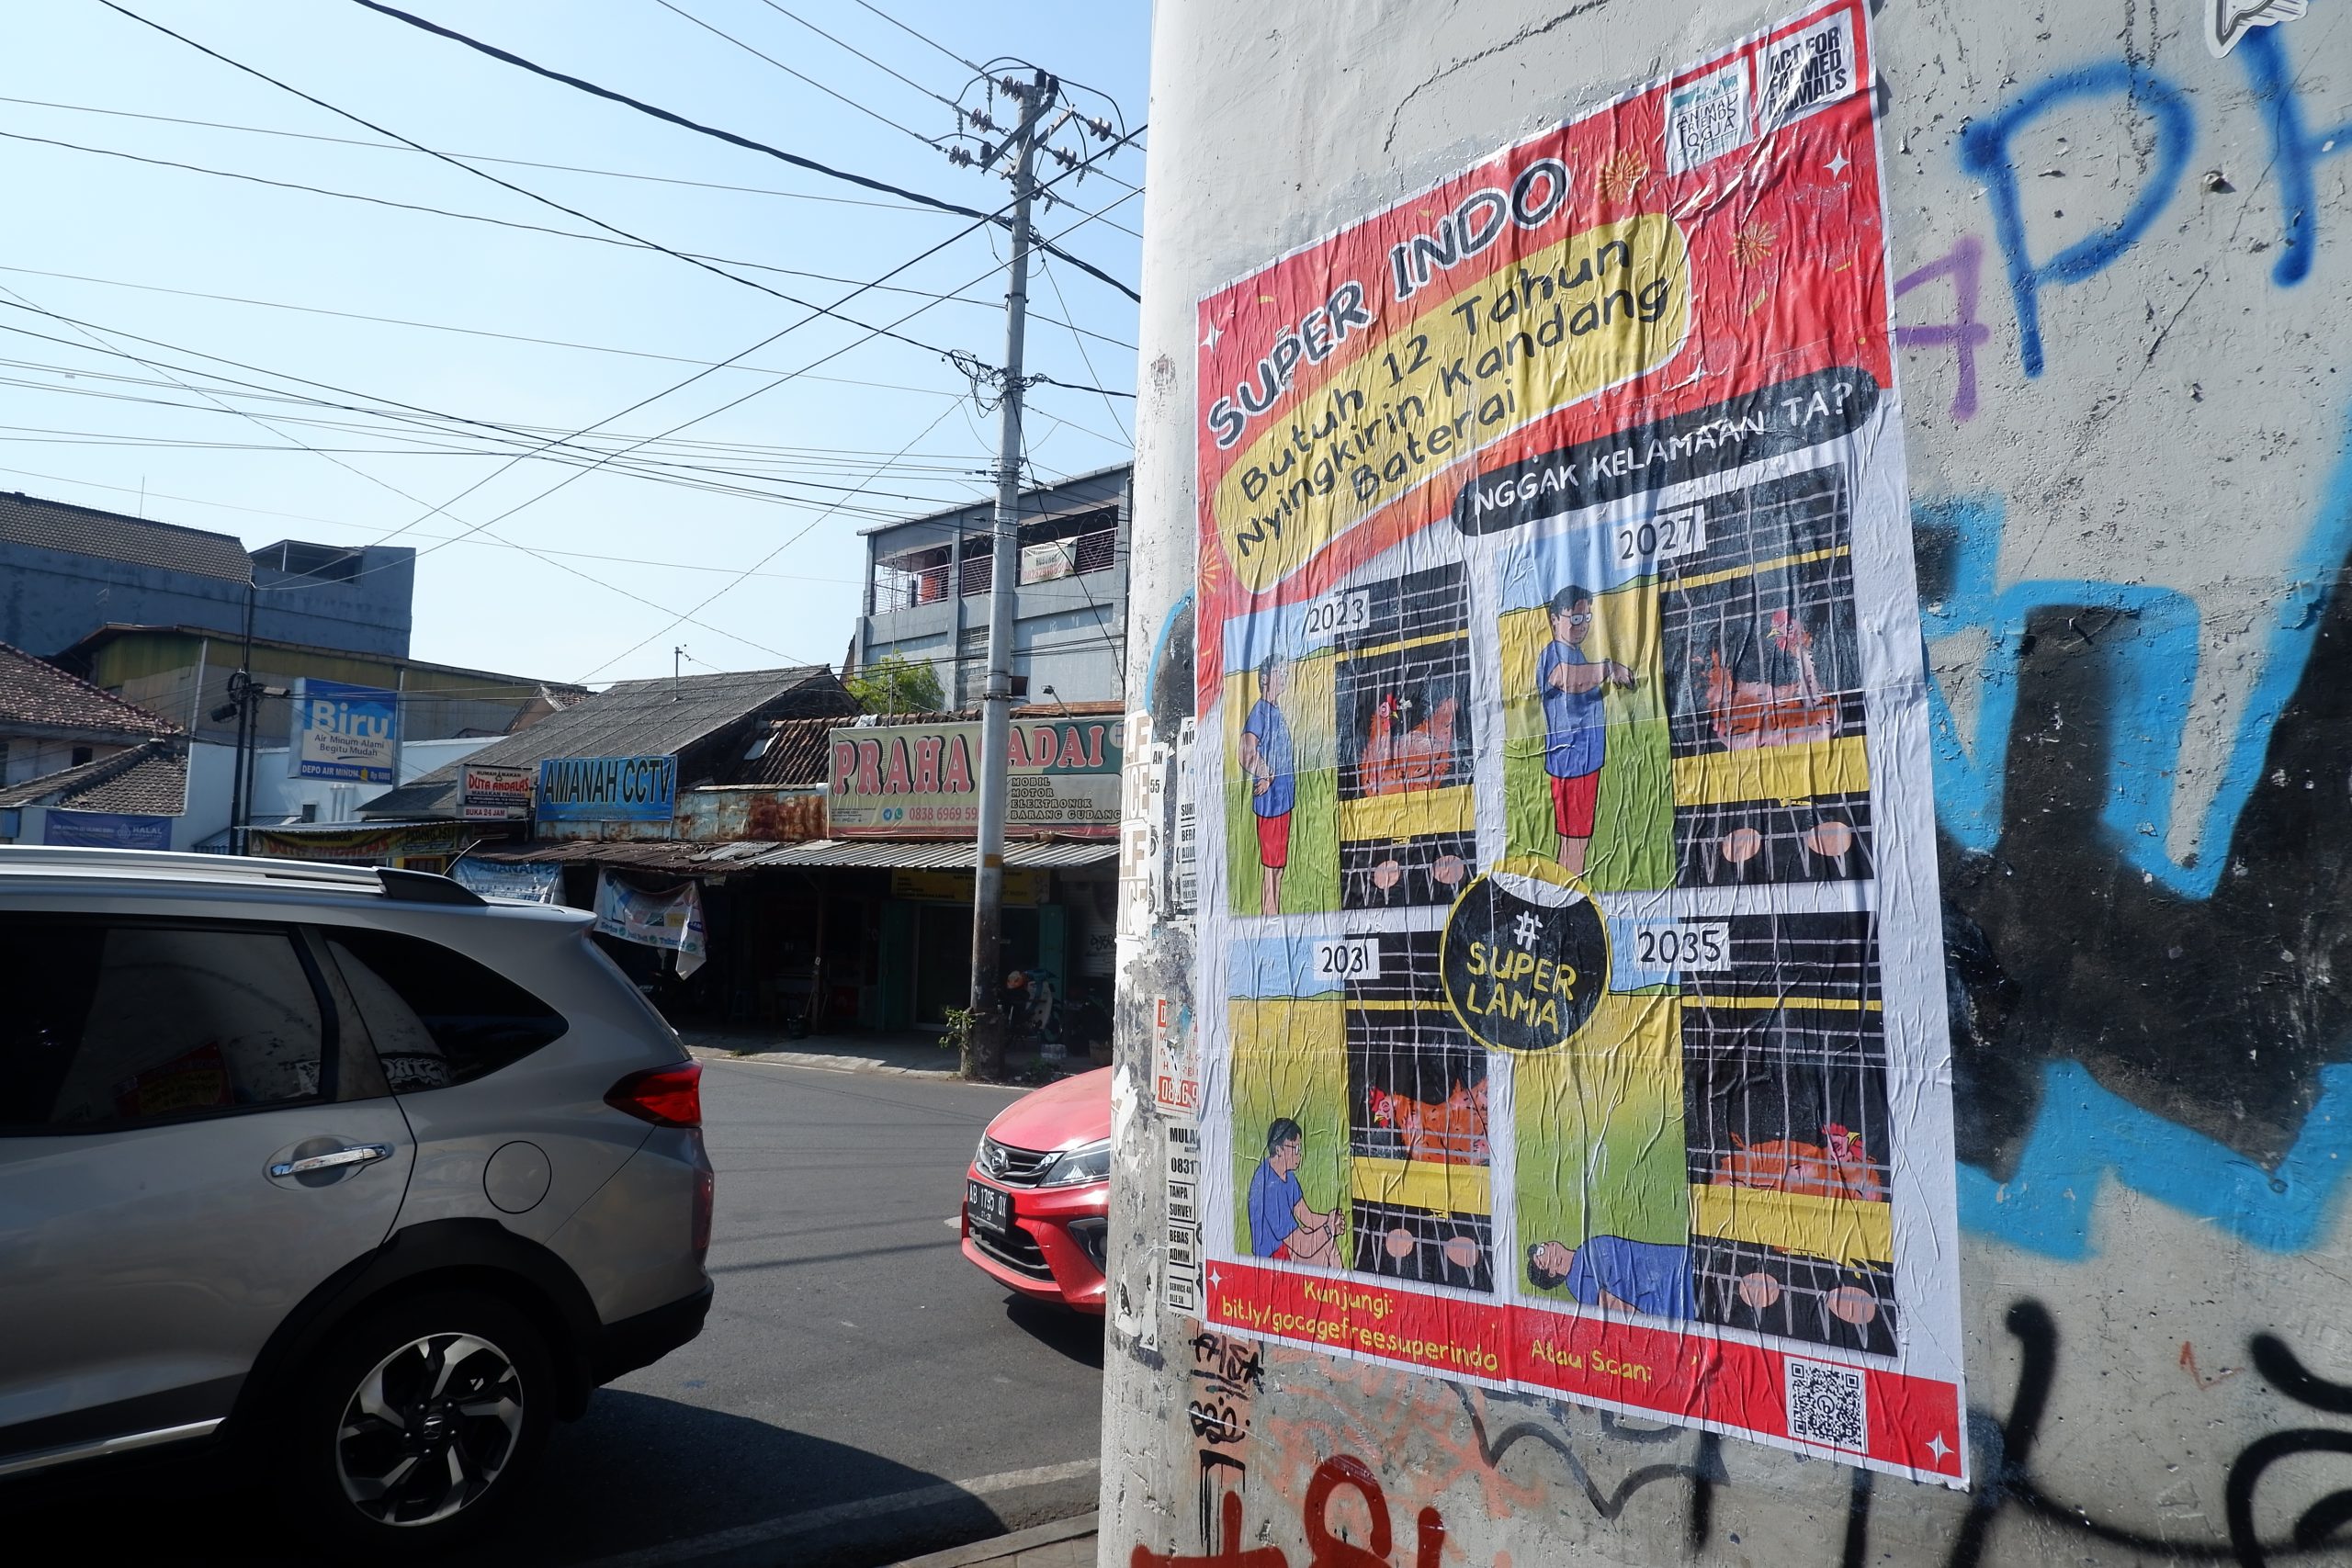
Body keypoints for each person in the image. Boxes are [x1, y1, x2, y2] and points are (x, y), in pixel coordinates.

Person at [1538, 586, 1635, 877]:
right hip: (1573, 764)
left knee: (1574, 839)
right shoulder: (1554, 653)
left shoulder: (1576, 654)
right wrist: (1608, 669)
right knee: (1575, 840)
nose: (1583, 625)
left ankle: (1565, 888)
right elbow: (1566, 680)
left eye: (1587, 618)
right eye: (1575, 619)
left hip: (1582, 762)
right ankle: (1568, 894)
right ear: (1555, 620)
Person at [1238, 656, 1296, 916]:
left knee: (1278, 867)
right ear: (1265, 679)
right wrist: (1266, 773)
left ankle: (1273, 914)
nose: (1283, 677)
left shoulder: (1274, 710)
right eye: (1278, 673)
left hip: (1282, 802)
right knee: (1271, 869)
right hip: (1271, 805)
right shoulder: (1260, 712)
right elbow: (1245, 752)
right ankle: (1270, 919)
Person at [1527, 1235, 1695, 1320]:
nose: (1545, 1246)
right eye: (1541, 1253)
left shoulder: (1584, 1250)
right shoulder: (1579, 1283)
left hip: (1682, 1263)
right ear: (1550, 1271)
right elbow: (1625, 1311)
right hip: (1681, 1296)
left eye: (1542, 1247)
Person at [1247, 1118, 1340, 1266]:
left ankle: (1342, 1288)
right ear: (1279, 1150)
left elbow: (1308, 1217)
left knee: (1325, 1241)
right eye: (1295, 1149)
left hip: (1286, 1250)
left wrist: (1332, 1220)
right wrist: (1329, 1229)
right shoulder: (1268, 1188)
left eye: (1300, 1149)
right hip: (1271, 1261)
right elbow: (1302, 1246)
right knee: (1325, 1244)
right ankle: (1340, 1288)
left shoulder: (1287, 1176)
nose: (1300, 1154)